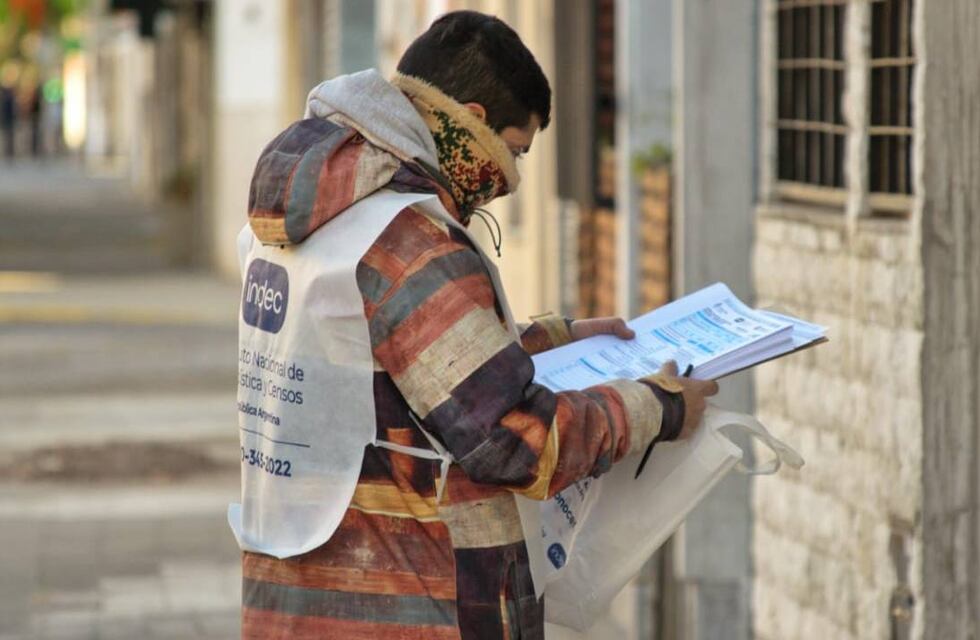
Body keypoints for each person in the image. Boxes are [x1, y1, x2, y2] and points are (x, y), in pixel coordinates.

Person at [234, 11, 718, 639]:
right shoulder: (408, 241)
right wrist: (658, 408)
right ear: (474, 120)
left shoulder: (311, 223)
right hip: (413, 604)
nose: (509, 181)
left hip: (299, 597)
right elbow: (510, 441)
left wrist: (552, 339)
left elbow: (384, 377)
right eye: (515, 151)